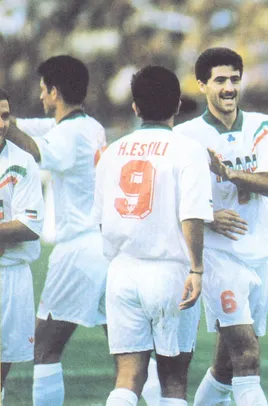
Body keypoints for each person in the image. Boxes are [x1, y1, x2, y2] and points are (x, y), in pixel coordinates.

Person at [5, 55, 162, 406]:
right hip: (108, 248)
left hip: (78, 251)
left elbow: (37, 150)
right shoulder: (90, 126)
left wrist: (7, 128)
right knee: (127, 347)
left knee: (44, 347)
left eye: (43, 90)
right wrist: (9, 121)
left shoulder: (68, 134)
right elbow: (36, 128)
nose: (41, 97)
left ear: (54, 92)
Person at [92, 65, 213, 406]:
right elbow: (192, 215)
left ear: (135, 107)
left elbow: (101, 221)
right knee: (173, 379)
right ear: (178, 105)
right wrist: (197, 268)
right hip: (170, 271)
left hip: (122, 271)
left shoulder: (112, 152)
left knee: (128, 377)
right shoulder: (188, 149)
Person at [175, 47, 268, 406]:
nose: (229, 88)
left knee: (225, 367)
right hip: (219, 257)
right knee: (247, 357)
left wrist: (228, 173)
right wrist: (207, 216)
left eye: (235, 79)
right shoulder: (186, 136)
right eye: (220, 80)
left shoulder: (262, 125)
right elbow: (171, 201)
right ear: (202, 84)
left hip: (260, 253)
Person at [0, 88, 45, 404]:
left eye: (4, 116)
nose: (1, 124)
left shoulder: (22, 162)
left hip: (10, 275)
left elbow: (29, 226)